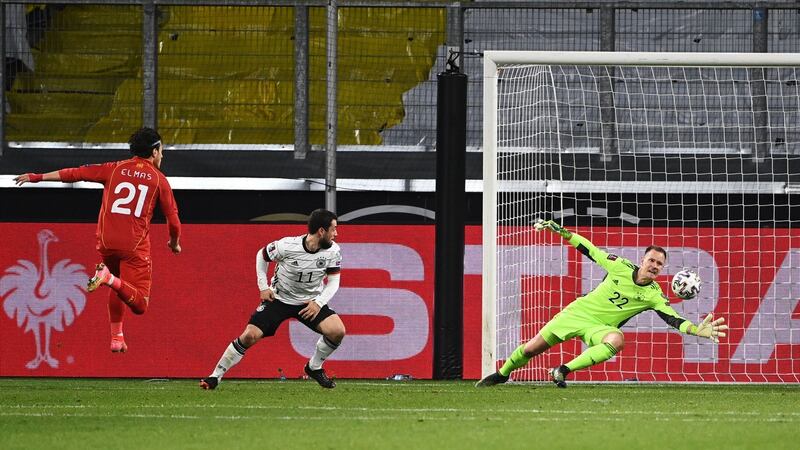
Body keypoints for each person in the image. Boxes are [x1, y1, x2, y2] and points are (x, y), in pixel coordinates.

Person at [476, 220, 728, 388]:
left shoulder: (654, 295)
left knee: (616, 340)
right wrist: (563, 233)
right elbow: (590, 250)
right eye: (651, 260)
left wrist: (696, 330)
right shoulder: (619, 266)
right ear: (643, 260)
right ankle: (502, 374)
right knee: (531, 349)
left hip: (599, 327)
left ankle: (562, 370)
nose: (654, 266)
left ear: (662, 270)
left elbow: (672, 319)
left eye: (659, 264)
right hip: (577, 313)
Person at [13, 127, 182, 353]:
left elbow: (75, 173)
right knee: (140, 303)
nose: (163, 155)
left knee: (118, 283)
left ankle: (116, 337)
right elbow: (174, 222)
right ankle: (107, 278)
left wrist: (38, 177)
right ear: (154, 152)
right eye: (161, 150)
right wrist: (174, 243)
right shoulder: (159, 180)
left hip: (106, 243)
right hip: (133, 246)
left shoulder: (114, 168)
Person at [200, 209, 344, 390]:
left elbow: (334, 282)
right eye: (333, 229)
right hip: (279, 299)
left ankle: (314, 367)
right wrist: (263, 286)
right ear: (321, 231)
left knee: (337, 331)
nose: (336, 234)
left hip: (309, 302)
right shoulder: (287, 246)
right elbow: (262, 255)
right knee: (250, 336)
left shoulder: (333, 251)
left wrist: (318, 303)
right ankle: (215, 376)